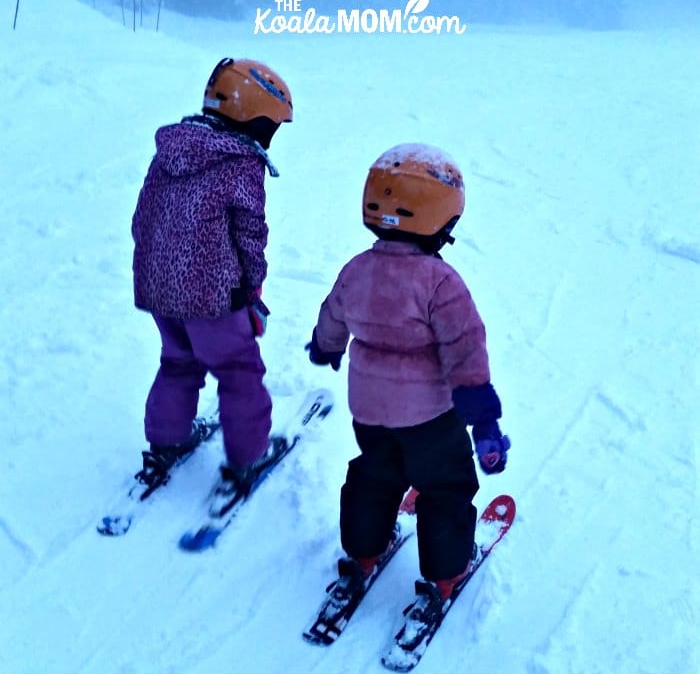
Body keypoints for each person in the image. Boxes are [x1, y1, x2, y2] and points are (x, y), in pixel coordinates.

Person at [306, 143, 510, 614]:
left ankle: (362, 551)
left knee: (374, 475)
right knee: (445, 489)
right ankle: (445, 574)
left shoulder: (357, 270)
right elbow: (466, 354)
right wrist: (484, 424)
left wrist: (325, 348)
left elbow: (332, 316)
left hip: (370, 411)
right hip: (430, 420)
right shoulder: (441, 284)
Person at [131, 57, 293, 499]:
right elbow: (250, 234)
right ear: (253, 117)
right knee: (238, 370)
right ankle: (249, 456)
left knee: (178, 362)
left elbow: (142, 218)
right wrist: (252, 283)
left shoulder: (169, 152)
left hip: (158, 288)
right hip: (212, 297)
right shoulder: (241, 163)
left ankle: (167, 440)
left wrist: (155, 268)